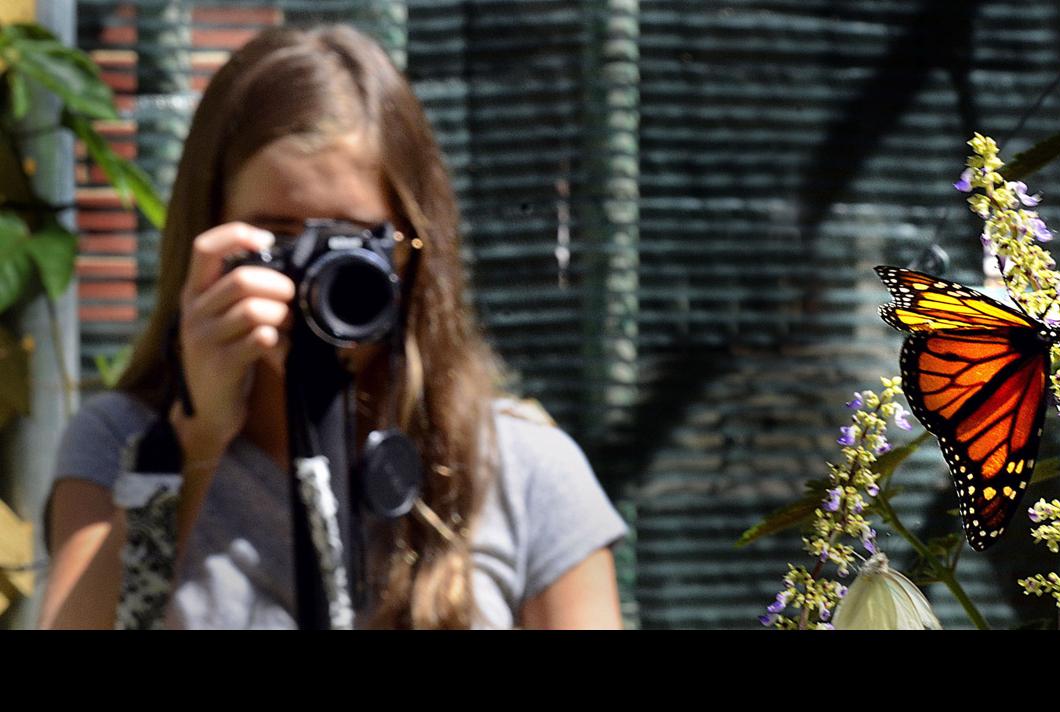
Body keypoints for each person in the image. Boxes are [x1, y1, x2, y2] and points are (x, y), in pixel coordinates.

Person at [38, 25, 627, 629]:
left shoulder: (524, 470)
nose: (317, 276)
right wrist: (195, 436)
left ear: (417, 250)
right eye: (281, 239)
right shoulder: (122, 446)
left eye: (355, 243)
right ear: (209, 235)